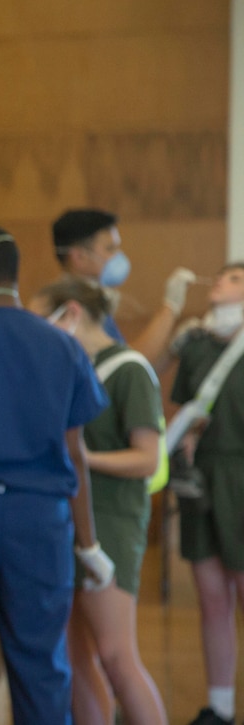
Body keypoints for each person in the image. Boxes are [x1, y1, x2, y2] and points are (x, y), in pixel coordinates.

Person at [0, 224, 113, 724]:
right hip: (40, 521)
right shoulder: (63, 346)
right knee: (43, 669)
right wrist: (89, 545)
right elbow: (76, 458)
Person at [31, 278, 167, 725]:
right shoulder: (70, 365)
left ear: (70, 313)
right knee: (76, 655)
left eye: (40, 318)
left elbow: (148, 458)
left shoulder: (129, 369)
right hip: (67, 523)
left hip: (111, 523)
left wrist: (85, 457)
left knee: (115, 654)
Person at [169, 262, 244, 725]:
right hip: (200, 480)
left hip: (241, 477)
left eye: (235, 278)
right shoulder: (195, 343)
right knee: (212, 597)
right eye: (221, 275)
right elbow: (179, 407)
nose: (220, 281)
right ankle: (219, 707)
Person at [51, 208, 196, 369]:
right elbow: (127, 366)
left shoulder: (94, 301)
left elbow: (134, 373)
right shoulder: (71, 307)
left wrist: (172, 349)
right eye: (110, 249)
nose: (118, 256)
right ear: (79, 257)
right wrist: (170, 307)